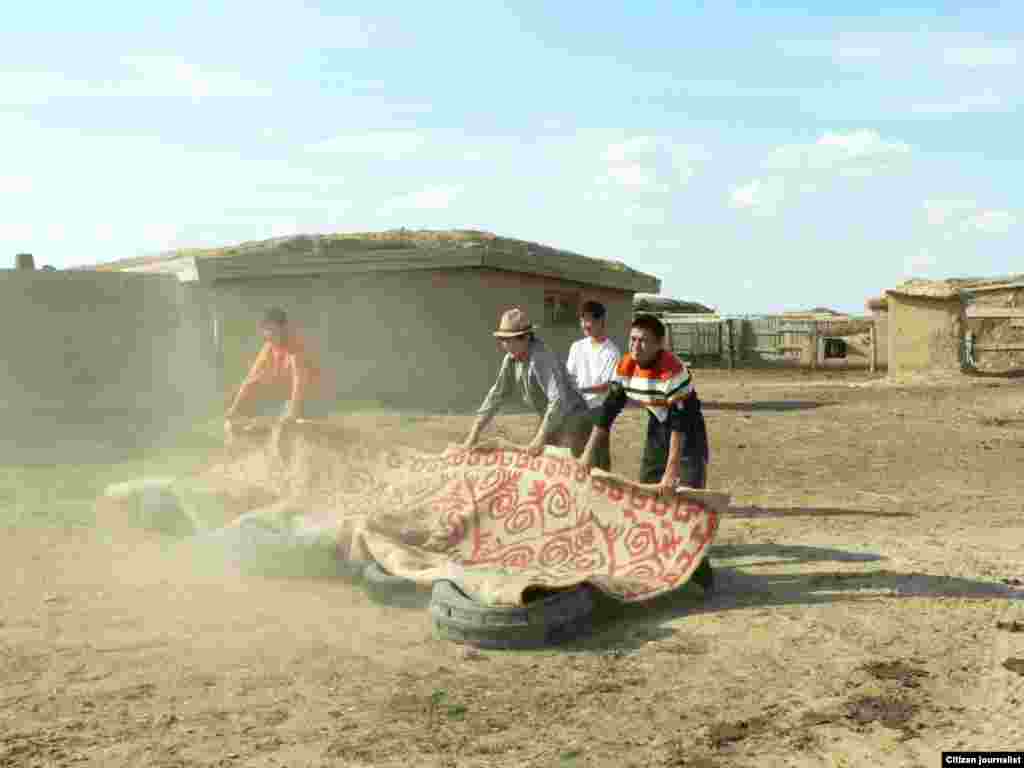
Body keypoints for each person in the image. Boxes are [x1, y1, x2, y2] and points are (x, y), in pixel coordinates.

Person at [579, 313, 714, 592]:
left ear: (658, 345)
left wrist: (671, 471)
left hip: (687, 434)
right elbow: (607, 413)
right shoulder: (626, 365)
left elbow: (680, 424)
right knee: (648, 496)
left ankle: (700, 571)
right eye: (633, 339)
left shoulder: (672, 370)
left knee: (685, 501)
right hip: (657, 427)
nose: (636, 346)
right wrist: (585, 457)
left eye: (643, 341)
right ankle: (655, 563)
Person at [463, 307, 593, 457]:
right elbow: (496, 395)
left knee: (569, 464)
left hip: (573, 417)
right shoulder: (511, 359)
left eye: (508, 340)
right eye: (502, 340)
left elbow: (557, 400)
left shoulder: (540, 357)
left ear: (525, 338)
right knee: (539, 460)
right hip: (551, 418)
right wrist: (473, 434)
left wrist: (539, 439)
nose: (504, 345)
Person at [224, 307, 328, 440]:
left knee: (288, 429)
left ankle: (310, 429)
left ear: (284, 328)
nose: (269, 335)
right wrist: (233, 411)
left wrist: (292, 413)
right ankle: (266, 430)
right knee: (255, 386)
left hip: (310, 399)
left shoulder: (295, 344)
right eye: (266, 331)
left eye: (273, 331)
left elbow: (299, 380)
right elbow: (251, 378)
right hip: (290, 397)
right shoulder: (270, 346)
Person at [565, 300, 621, 472]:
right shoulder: (577, 347)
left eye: (588, 320)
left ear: (601, 321)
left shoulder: (612, 352)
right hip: (576, 410)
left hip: (598, 413)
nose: (584, 325)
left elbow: (606, 386)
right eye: (582, 320)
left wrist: (580, 390)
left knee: (599, 464)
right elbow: (569, 376)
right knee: (575, 458)